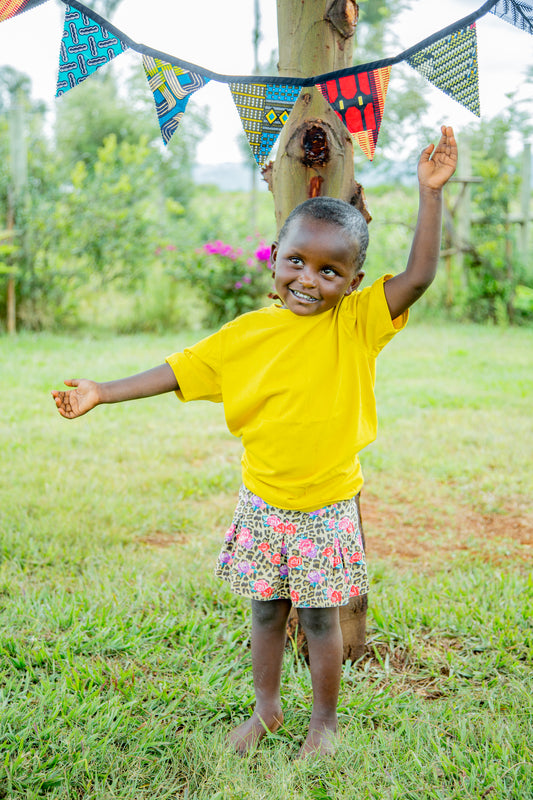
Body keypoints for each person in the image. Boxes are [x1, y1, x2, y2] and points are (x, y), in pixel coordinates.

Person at [53, 125, 457, 759]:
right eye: (297, 260)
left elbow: (420, 276)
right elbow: (178, 371)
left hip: (326, 507)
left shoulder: (356, 325)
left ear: (352, 282)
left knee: (321, 620)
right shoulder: (246, 334)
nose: (309, 279)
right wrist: (102, 390)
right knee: (266, 613)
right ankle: (266, 710)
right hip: (263, 501)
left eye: (331, 271)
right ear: (275, 254)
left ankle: (324, 723)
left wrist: (430, 194)